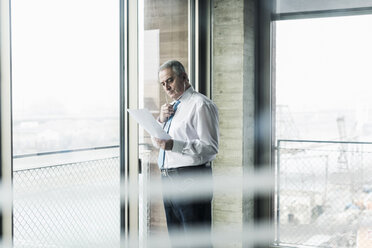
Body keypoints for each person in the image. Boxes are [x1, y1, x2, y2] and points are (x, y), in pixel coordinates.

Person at [152, 60, 219, 248]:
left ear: (184, 77)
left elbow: (210, 147)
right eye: (163, 83)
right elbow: (159, 142)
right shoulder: (172, 108)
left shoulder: (201, 105)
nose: (166, 87)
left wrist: (174, 145)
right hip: (168, 179)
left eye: (170, 80)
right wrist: (160, 120)